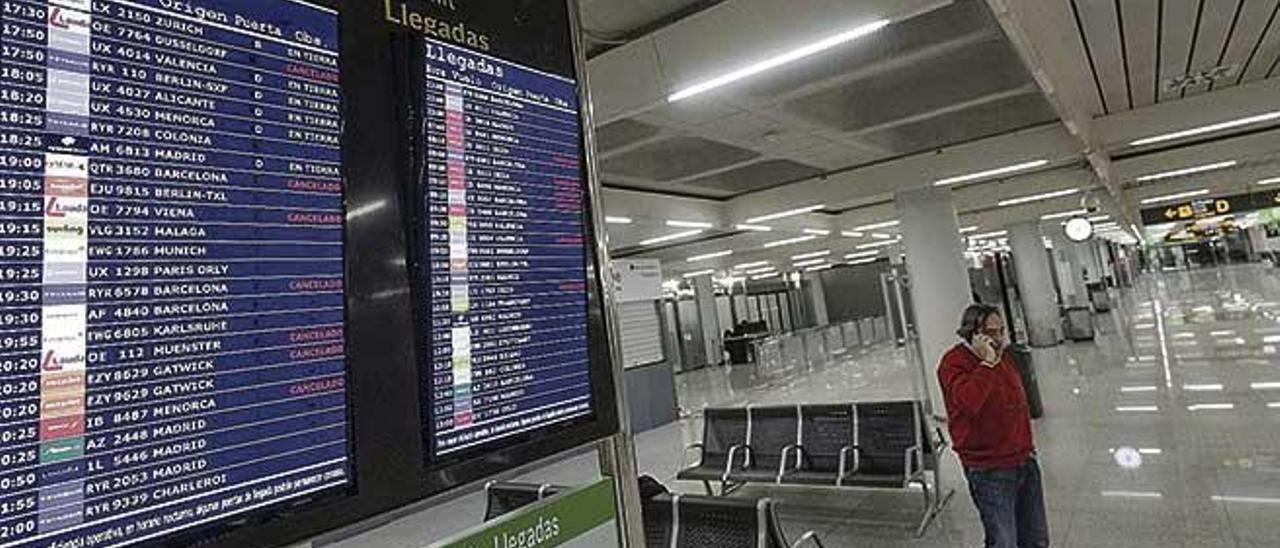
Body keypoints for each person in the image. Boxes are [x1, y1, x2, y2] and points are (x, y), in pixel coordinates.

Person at [937, 304, 1049, 548]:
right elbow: (970, 402)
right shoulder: (953, 363)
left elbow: (1017, 405)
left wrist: (1028, 449)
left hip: (1023, 460)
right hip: (990, 469)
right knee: (1003, 540)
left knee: (1037, 538)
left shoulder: (1004, 358)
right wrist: (986, 364)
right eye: (991, 333)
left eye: (1001, 331)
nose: (998, 339)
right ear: (972, 334)